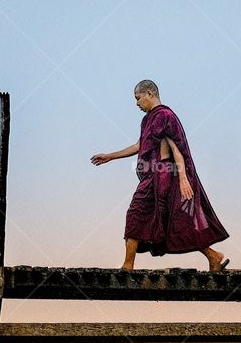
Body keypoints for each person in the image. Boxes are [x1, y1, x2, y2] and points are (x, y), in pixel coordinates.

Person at [91, 79, 230, 271]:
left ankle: (127, 265)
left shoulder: (165, 115)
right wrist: (110, 156)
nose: (136, 103)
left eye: (138, 98)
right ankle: (214, 256)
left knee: (141, 213)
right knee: (169, 220)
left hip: (165, 176)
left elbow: (177, 148)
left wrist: (183, 179)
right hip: (151, 178)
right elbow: (138, 146)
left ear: (150, 94)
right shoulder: (147, 119)